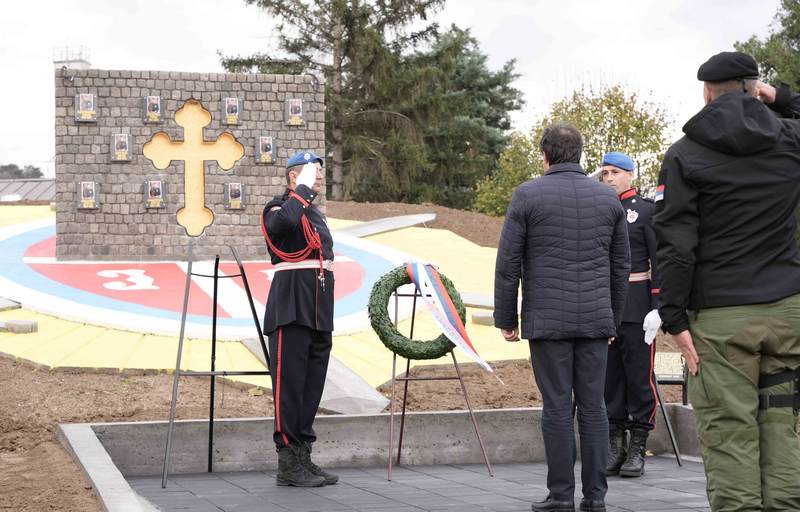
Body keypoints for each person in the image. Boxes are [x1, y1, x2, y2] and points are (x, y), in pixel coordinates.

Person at [654, 51, 800, 511]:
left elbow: (676, 244)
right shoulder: (790, 140)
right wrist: (778, 95)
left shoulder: (685, 155)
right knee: (784, 431)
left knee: (730, 435)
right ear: (755, 89)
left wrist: (673, 316)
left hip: (720, 319)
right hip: (787, 311)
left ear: (706, 92)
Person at [494, 123, 630, 512]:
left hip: (547, 321)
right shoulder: (609, 201)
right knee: (594, 407)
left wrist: (507, 317)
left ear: (545, 155)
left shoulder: (527, 195)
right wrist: (612, 321)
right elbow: (621, 267)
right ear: (581, 155)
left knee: (556, 405)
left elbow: (509, 264)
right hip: (594, 322)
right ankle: (596, 497)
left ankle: (560, 496)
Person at [260, 150, 337, 488]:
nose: (320, 176)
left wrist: (306, 197)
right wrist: (301, 192)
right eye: (313, 171)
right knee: (289, 387)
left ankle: (303, 455)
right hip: (291, 303)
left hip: (319, 306)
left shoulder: (315, 214)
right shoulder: (277, 208)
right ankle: (287, 464)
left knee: (310, 387)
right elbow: (284, 226)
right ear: (294, 176)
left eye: (320, 171)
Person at [600, 152, 660, 478]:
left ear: (629, 176)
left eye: (615, 172)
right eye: (605, 172)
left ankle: (638, 446)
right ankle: (615, 445)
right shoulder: (599, 209)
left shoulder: (646, 211)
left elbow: (659, 259)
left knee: (639, 378)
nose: (608, 178)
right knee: (611, 380)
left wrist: (658, 306)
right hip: (607, 307)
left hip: (638, 307)